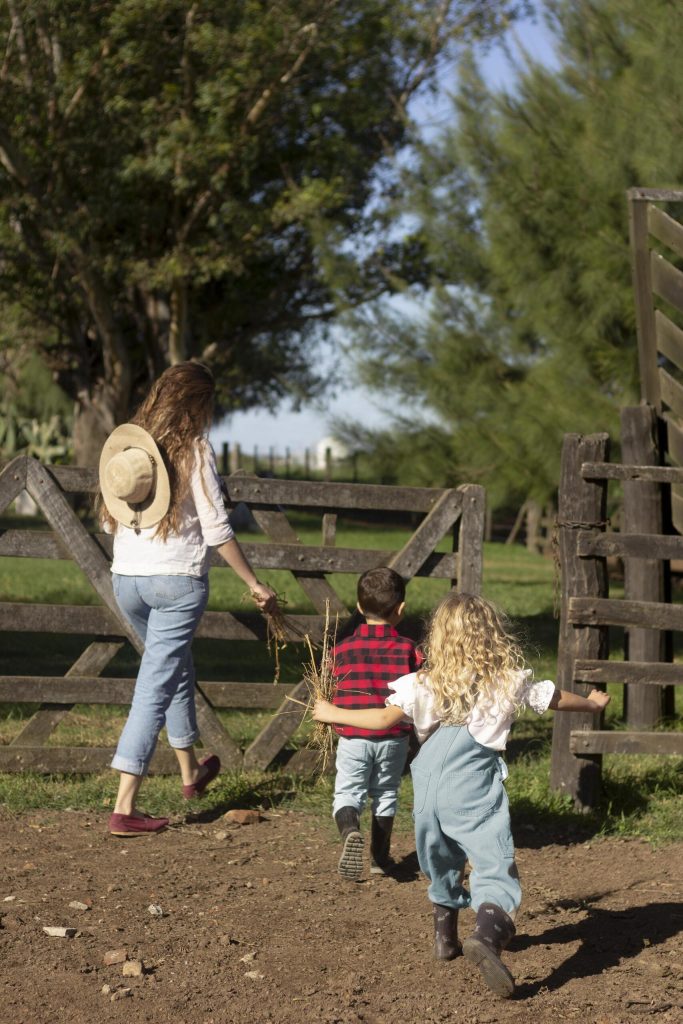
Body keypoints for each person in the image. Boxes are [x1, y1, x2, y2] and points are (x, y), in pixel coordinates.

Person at [313, 591, 610, 998]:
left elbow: (382, 718)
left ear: (438, 639)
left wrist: (332, 713)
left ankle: (445, 938)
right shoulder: (506, 680)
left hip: (427, 786)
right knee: (492, 863)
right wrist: (592, 705)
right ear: (492, 637)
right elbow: (555, 698)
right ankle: (486, 937)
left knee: (439, 858)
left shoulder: (424, 682)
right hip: (473, 785)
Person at [98, 361, 276, 838]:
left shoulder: (132, 446)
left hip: (127, 581)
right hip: (175, 583)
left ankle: (190, 773)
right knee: (153, 686)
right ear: (199, 403)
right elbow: (218, 527)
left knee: (173, 666)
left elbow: (107, 521)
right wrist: (254, 582)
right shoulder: (194, 449)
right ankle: (125, 807)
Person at [329, 567, 423, 881]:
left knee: (348, 793)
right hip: (394, 737)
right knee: (385, 793)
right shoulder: (409, 649)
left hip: (353, 736)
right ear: (401, 609)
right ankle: (379, 859)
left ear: (358, 608)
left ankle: (350, 830)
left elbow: (332, 685)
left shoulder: (341, 650)